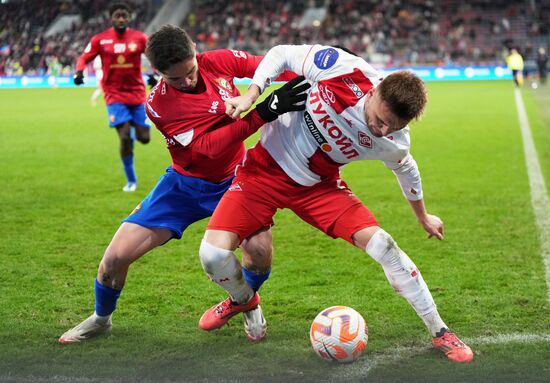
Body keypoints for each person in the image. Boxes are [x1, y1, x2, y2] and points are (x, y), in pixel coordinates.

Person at [197, 44, 474, 363]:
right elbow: (281, 55)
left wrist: (423, 217)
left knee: (385, 246)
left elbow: (407, 170)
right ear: (374, 92)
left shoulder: (394, 142)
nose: (381, 130)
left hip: (319, 187)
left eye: (391, 127)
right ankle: (243, 300)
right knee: (212, 255)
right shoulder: (344, 70)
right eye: (381, 120)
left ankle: (440, 332)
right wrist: (251, 95)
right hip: (263, 171)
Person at [58, 26, 308, 344]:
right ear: (159, 73)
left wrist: (321, 69)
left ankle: (243, 301)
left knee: (260, 251)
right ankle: (100, 319)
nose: (187, 80)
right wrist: (262, 112)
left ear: (194, 49)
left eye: (190, 71)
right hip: (183, 186)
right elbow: (208, 148)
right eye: (176, 79)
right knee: (114, 259)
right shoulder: (159, 106)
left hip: (236, 180)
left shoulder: (218, 61)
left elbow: (268, 65)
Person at [73, 2, 156, 192]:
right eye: (117, 15)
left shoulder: (139, 38)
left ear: (129, 17)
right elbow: (84, 57)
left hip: (137, 94)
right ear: (111, 18)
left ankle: (137, 127)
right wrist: (79, 72)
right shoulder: (100, 40)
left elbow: (154, 56)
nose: (121, 19)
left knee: (144, 138)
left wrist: (155, 73)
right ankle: (131, 180)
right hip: (114, 95)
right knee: (125, 138)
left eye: (124, 16)